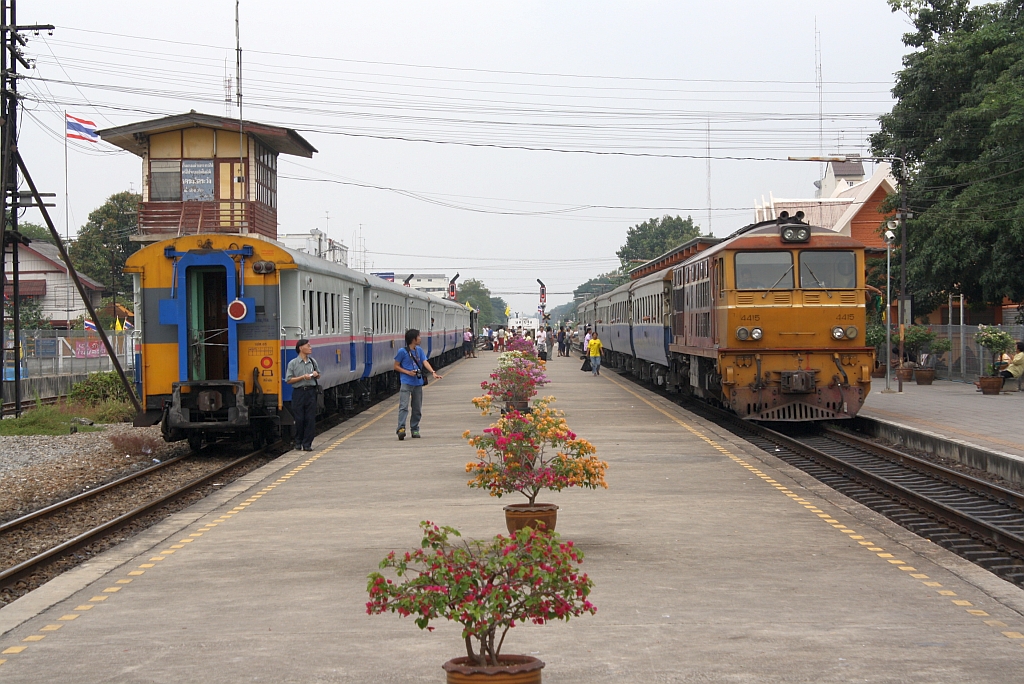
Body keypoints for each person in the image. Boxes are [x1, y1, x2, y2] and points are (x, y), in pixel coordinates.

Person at [394, 328, 442, 440]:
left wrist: (433, 372)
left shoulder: (419, 350)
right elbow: (396, 366)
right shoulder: (402, 351)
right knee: (403, 406)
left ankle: (415, 429)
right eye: (419, 337)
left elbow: (425, 362)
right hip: (406, 382)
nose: (420, 338)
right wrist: (408, 372)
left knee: (417, 408)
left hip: (418, 383)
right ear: (413, 339)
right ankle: (401, 428)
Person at [285, 339, 320, 451]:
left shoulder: (313, 362)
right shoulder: (293, 363)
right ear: (300, 348)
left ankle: (307, 444)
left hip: (311, 392)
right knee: (299, 418)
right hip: (299, 392)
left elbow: (318, 375)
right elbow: (288, 380)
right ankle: (298, 442)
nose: (310, 347)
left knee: (310, 418)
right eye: (308, 345)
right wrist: (302, 377)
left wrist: (315, 374)